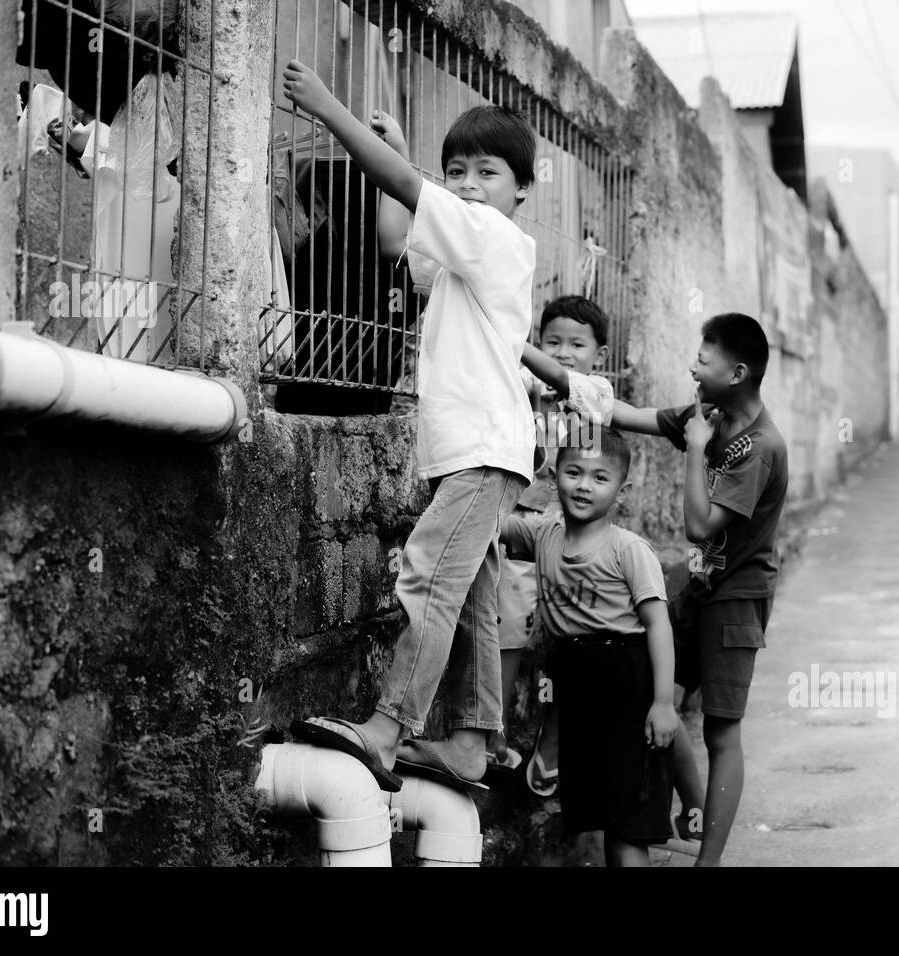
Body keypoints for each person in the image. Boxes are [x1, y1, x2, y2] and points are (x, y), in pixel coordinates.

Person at [282, 61, 539, 791]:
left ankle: (387, 730)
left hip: (481, 453)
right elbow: (399, 239)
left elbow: (406, 190)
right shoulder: (465, 257)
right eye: (457, 171)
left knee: (426, 582)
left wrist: (330, 107)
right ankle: (471, 742)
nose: (467, 184)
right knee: (474, 605)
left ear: (521, 189)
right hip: (477, 452)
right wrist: (403, 148)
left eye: (486, 172)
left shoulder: (494, 240)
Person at [611, 313, 788, 866]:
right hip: (702, 587)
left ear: (736, 373)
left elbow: (698, 525)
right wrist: (553, 374)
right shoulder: (708, 414)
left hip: (737, 601)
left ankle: (707, 863)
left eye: (704, 360)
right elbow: (628, 413)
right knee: (647, 686)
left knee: (721, 732)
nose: (692, 365)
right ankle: (687, 809)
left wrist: (693, 448)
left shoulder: (758, 447)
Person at [500, 429, 679, 866]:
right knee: (595, 808)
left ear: (622, 490)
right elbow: (489, 519)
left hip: (627, 679)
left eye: (600, 478)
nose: (583, 485)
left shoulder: (628, 550)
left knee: (628, 820)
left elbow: (659, 625)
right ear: (555, 476)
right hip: (575, 684)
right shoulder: (544, 536)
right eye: (573, 472)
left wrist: (662, 703)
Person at [493, 295, 616, 792]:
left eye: (577, 344)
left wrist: (539, 373)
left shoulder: (596, 392)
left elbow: (578, 409)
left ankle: (552, 745)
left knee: (576, 639)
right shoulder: (523, 385)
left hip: (575, 538)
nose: (563, 353)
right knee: (508, 631)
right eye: (553, 342)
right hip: (523, 532)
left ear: (598, 356)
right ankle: (493, 736)